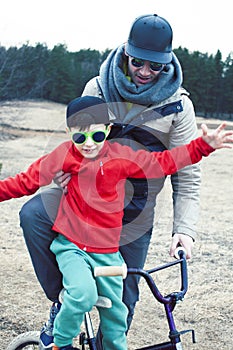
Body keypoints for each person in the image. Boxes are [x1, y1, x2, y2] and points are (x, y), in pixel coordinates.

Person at [19, 13, 205, 349]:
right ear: (125, 53)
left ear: (168, 63)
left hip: (134, 211)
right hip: (83, 201)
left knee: (124, 294)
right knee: (33, 215)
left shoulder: (179, 104)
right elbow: (75, 142)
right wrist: (62, 174)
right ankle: (64, 299)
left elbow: (187, 172)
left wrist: (185, 230)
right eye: (138, 62)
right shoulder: (98, 87)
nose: (145, 72)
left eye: (156, 66)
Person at [1, 96, 233, 350]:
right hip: (72, 247)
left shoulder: (122, 156)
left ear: (108, 131)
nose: (88, 144)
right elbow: (25, 181)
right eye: (80, 138)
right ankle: (61, 343)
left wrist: (203, 146)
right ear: (69, 133)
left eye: (96, 136)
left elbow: (162, 163)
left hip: (108, 254)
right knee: (82, 295)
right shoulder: (63, 156)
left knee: (116, 317)